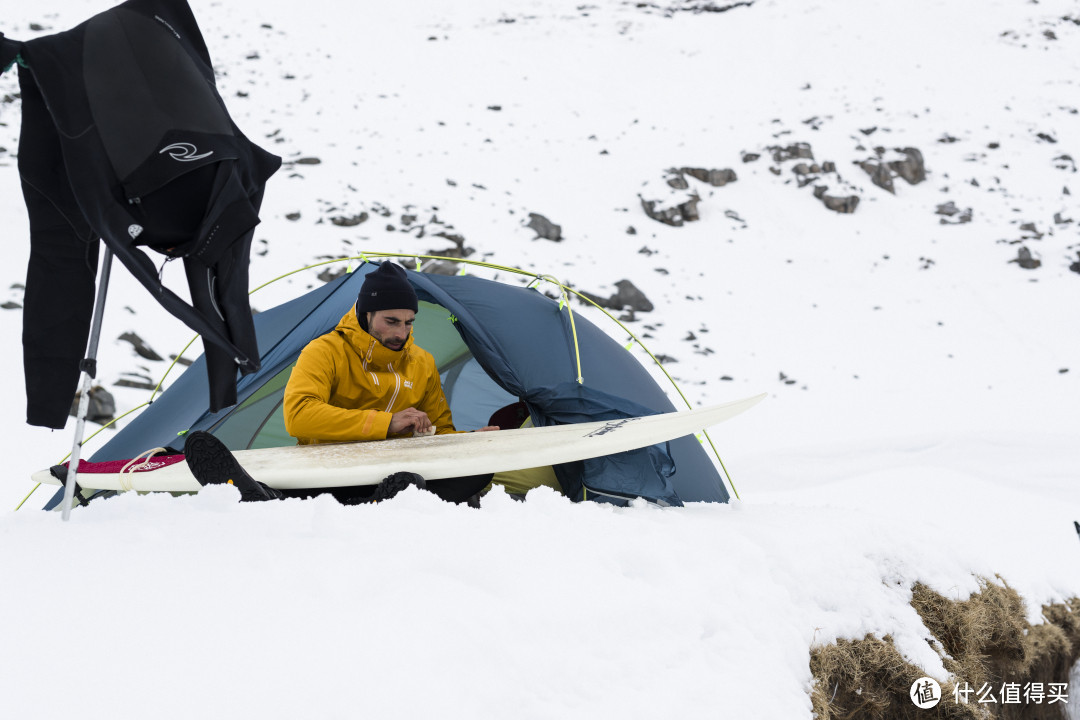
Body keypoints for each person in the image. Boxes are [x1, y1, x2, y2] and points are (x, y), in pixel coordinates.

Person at [280, 261, 498, 504]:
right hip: (334, 471)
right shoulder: (325, 350)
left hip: (399, 471)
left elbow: (440, 431)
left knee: (478, 471)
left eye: (408, 322)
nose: (401, 334)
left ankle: (379, 501)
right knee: (409, 486)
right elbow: (298, 415)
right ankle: (378, 502)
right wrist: (387, 423)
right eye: (391, 321)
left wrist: (468, 443)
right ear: (366, 314)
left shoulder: (422, 362)